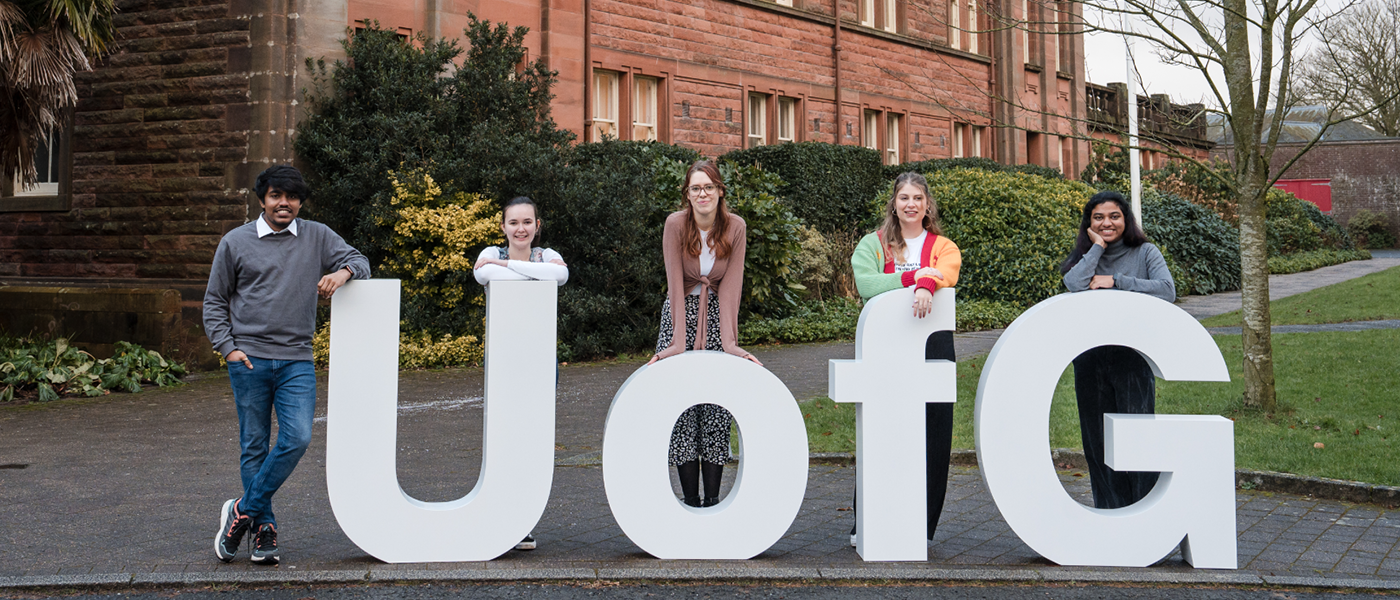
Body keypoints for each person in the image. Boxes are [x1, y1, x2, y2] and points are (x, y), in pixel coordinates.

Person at [205, 165, 370, 565]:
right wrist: (228, 349)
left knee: (297, 438)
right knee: (254, 445)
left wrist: (343, 272)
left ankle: (241, 512)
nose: (285, 203)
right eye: (277, 195)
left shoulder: (316, 235)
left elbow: (361, 260)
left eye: (292, 197)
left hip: (297, 358)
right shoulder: (235, 241)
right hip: (248, 360)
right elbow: (214, 302)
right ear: (262, 199)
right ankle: (264, 528)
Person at [848, 171, 962, 547]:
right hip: (885, 345)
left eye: (917, 198)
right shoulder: (873, 243)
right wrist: (914, 276)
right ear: (893, 204)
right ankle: (865, 522)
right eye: (903, 198)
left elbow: (947, 274)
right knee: (881, 433)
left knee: (934, 433)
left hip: (933, 345)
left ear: (927, 205)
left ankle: (922, 525)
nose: (910, 204)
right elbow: (866, 284)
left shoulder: (944, 245)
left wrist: (929, 281)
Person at [647, 160, 761, 509]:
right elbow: (674, 284)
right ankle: (689, 499)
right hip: (680, 314)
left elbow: (732, 286)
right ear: (687, 194)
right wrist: (676, 343)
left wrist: (730, 343)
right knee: (682, 406)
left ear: (720, 191)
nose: (702, 194)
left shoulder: (736, 227)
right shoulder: (675, 225)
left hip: (717, 315)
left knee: (715, 405)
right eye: (695, 188)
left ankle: (712, 500)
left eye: (708, 187)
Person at [1060, 190, 1175, 509]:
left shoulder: (1145, 252)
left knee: (1137, 438)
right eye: (1098, 217)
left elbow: (1167, 290)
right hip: (1090, 360)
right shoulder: (1086, 255)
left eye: (1114, 216)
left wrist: (1116, 281)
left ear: (1126, 219)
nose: (1106, 222)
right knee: (1098, 442)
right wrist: (1097, 247)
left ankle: (1145, 510)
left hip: (1132, 359)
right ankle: (1108, 512)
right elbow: (1073, 284)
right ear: (1089, 223)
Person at [472, 195, 568, 551]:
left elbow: (560, 275)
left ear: (537, 226)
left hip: (540, 358)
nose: (521, 228)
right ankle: (502, 518)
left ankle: (523, 522)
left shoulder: (547, 255)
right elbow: (481, 273)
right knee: (504, 436)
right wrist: (518, 269)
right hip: (504, 357)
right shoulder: (490, 252)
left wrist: (509, 267)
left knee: (533, 438)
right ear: (503, 227)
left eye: (527, 222)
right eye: (513, 222)